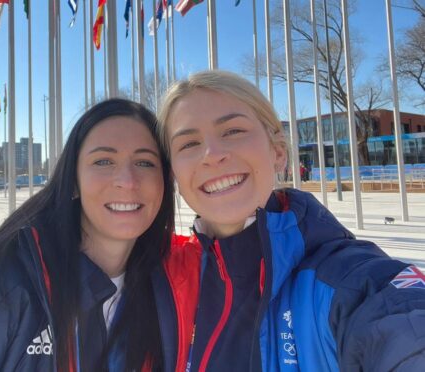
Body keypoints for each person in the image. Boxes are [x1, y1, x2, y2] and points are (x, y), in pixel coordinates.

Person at [155, 70, 425, 371]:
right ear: (173, 174)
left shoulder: (342, 277)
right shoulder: (165, 275)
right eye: (188, 144)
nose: (212, 154)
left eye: (232, 131)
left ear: (278, 151)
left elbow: (399, 321)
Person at [0, 98, 174, 371]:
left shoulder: (173, 288)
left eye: (145, 162)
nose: (126, 180)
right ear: (72, 181)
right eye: (103, 161)